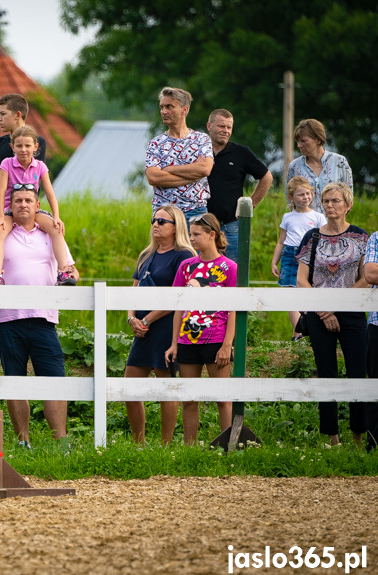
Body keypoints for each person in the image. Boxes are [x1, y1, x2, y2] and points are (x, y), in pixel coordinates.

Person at [0, 185, 75, 448]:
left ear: (36, 204)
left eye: (28, 200)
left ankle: (61, 443)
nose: (23, 204)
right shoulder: (0, 235)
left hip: (44, 318)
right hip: (8, 319)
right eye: (18, 199)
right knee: (14, 380)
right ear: (11, 203)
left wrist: (68, 280)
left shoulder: (51, 235)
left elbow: (72, 273)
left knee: (54, 381)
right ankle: (23, 441)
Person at [296, 182, 369, 446]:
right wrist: (324, 311)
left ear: (348, 205)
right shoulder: (312, 237)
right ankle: (332, 439)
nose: (330, 206)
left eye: (335, 201)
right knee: (326, 372)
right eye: (326, 201)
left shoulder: (362, 238)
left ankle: (359, 437)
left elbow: (365, 279)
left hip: (351, 312)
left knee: (357, 373)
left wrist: (335, 307)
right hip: (318, 313)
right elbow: (302, 281)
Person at [124, 205, 196, 444]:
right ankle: (139, 444)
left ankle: (165, 446)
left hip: (167, 328)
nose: (155, 224)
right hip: (142, 329)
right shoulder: (146, 254)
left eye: (162, 221)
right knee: (130, 385)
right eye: (154, 220)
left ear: (177, 227)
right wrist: (131, 317)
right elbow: (134, 289)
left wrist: (146, 320)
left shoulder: (185, 256)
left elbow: (178, 298)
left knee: (166, 386)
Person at [164, 213, 236, 445]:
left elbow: (234, 309)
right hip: (187, 340)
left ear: (212, 235)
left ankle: (228, 446)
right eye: (191, 234)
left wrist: (227, 345)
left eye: (196, 235)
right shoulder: (186, 266)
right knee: (189, 398)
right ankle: (189, 448)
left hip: (216, 339)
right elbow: (178, 307)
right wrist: (174, 342)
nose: (191, 239)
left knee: (222, 398)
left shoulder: (229, 267)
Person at [0, 125, 75, 286]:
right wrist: (1, 216)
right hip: (11, 210)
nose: (23, 149)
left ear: (35, 147)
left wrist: (56, 216)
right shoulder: (7, 164)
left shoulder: (40, 166)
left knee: (55, 228)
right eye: (19, 146)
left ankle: (63, 271)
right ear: (13, 147)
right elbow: (1, 192)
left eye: (27, 146)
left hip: (33, 210)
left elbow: (50, 193)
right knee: (0, 231)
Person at [0, 93, 47, 259]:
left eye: (2, 114)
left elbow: (31, 183)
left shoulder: (37, 142)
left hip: (26, 220)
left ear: (17, 115)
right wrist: (10, 179)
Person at [205, 109, 273, 264]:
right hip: (203, 226)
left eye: (229, 127)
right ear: (209, 126)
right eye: (221, 126)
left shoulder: (241, 152)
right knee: (202, 272)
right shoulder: (199, 151)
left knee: (235, 273)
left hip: (231, 226)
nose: (226, 131)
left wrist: (251, 204)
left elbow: (266, 177)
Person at [145, 87, 214, 222]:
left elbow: (205, 169)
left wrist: (168, 170)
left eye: (169, 107)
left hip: (195, 211)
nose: (164, 111)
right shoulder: (155, 144)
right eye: (162, 107)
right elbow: (153, 177)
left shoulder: (201, 139)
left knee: (194, 244)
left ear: (184, 109)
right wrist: (194, 174)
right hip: (164, 214)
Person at [270, 177, 327, 339]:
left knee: (306, 293)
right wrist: (275, 262)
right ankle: (298, 333)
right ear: (291, 197)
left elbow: (323, 241)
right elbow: (281, 242)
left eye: (308, 194)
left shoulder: (317, 217)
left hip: (310, 256)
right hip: (289, 255)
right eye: (301, 194)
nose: (305, 197)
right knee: (290, 295)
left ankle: (306, 330)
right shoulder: (288, 217)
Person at [285, 119, 353, 214]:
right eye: (298, 141)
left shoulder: (340, 162)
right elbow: (290, 198)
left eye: (303, 141)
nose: (299, 145)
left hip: (334, 224)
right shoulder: (294, 166)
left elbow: (348, 196)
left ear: (317, 139)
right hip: (306, 226)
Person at [363, 231, 378, 450]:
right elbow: (371, 274)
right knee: (375, 385)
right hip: (377, 323)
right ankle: (374, 443)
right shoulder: (376, 237)